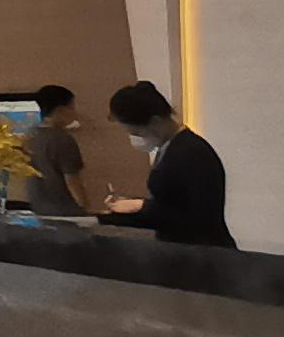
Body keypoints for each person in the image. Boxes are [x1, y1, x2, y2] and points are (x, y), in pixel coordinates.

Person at [99, 81, 231, 247]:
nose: (136, 139)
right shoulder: (170, 148)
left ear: (155, 122)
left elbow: (199, 217)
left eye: (137, 133)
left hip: (202, 250)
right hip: (182, 246)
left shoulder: (191, 152)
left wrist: (141, 206)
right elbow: (172, 202)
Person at [16, 86, 89, 218]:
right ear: (60, 110)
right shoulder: (63, 139)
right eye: (71, 107)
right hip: (65, 211)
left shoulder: (30, 135)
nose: (75, 113)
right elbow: (72, 181)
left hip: (38, 208)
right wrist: (84, 207)